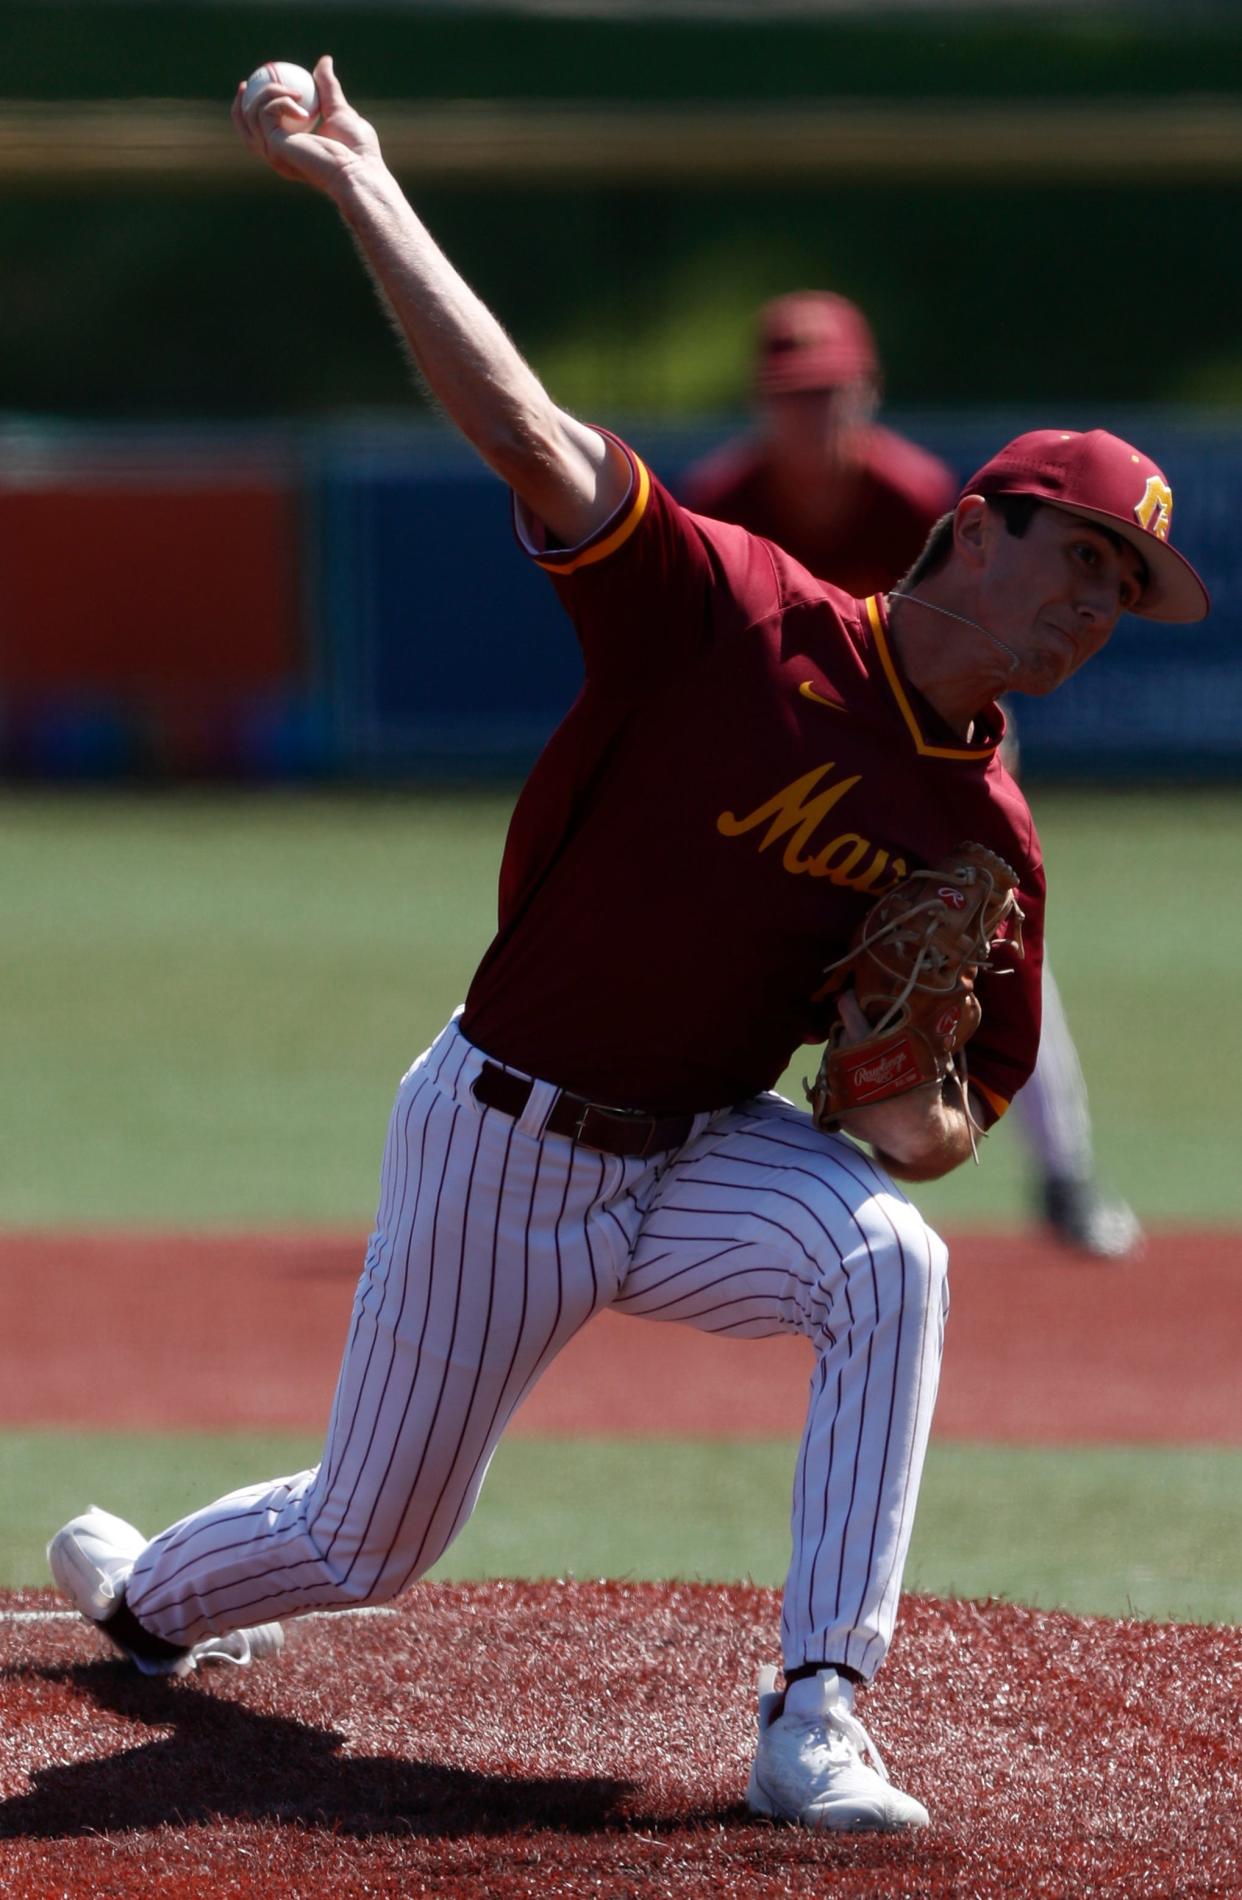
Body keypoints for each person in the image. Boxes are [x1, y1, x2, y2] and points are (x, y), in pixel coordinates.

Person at [47, 58, 1208, 1834]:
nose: (1083, 613)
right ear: (969, 529)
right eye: (1070, 564)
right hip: (498, 1139)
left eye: (1118, 603)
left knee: (892, 1262)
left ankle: (817, 1709)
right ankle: (144, 1602)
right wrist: (360, 175)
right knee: (370, 1540)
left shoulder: (987, 837)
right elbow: (521, 425)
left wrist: (905, 1105)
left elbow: (936, 1127)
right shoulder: (731, 616)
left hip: (697, 1156)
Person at [682, 293, 1143, 1260]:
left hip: (914, 767)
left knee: (993, 938)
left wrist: (979, 796)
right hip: (778, 771)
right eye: (796, 395)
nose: (818, 415)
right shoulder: (723, 500)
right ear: (763, 402)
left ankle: (1065, 1176)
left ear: (870, 390)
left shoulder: (915, 498)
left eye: (834, 392)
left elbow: (978, 666)